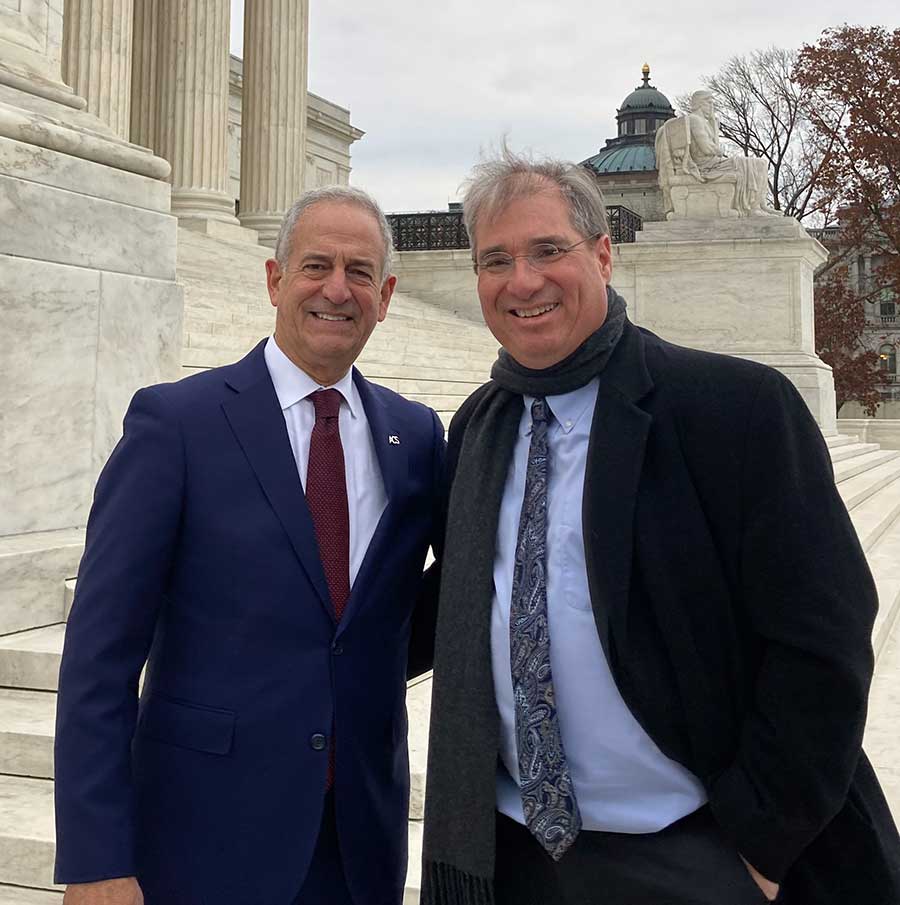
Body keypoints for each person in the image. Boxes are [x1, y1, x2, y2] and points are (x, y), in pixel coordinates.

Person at [421, 149, 900, 905]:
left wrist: (759, 847)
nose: (523, 280)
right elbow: (465, 596)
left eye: (549, 250)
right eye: (496, 259)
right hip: (513, 856)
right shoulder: (479, 428)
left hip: (696, 853)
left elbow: (825, 639)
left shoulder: (733, 409)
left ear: (603, 254)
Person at [54, 185, 445, 905]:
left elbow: (410, 610)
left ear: (386, 294)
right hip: (201, 842)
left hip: (357, 845)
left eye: (359, 271)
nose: (337, 289)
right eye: (315, 265)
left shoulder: (415, 436)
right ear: (274, 279)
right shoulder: (176, 425)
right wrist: (95, 858)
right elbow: (100, 655)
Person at [655, 89, 773, 217]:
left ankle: (759, 206)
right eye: (709, 103)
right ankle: (754, 208)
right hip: (704, 165)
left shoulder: (705, 122)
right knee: (757, 164)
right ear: (700, 104)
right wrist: (718, 150)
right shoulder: (695, 120)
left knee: (760, 164)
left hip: (713, 163)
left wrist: (713, 124)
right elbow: (706, 149)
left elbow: (712, 147)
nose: (712, 107)